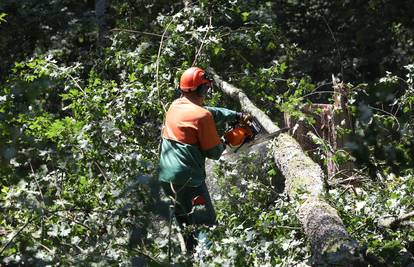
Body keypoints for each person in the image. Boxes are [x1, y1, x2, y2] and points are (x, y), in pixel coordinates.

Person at [158, 66, 246, 252]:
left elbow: (207, 112)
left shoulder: (175, 106)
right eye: (206, 88)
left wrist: (235, 116)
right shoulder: (202, 115)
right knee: (205, 226)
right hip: (189, 182)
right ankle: (209, 260)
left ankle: (188, 259)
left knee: (186, 228)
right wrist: (230, 138)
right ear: (202, 89)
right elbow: (213, 152)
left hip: (166, 179)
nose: (207, 92)